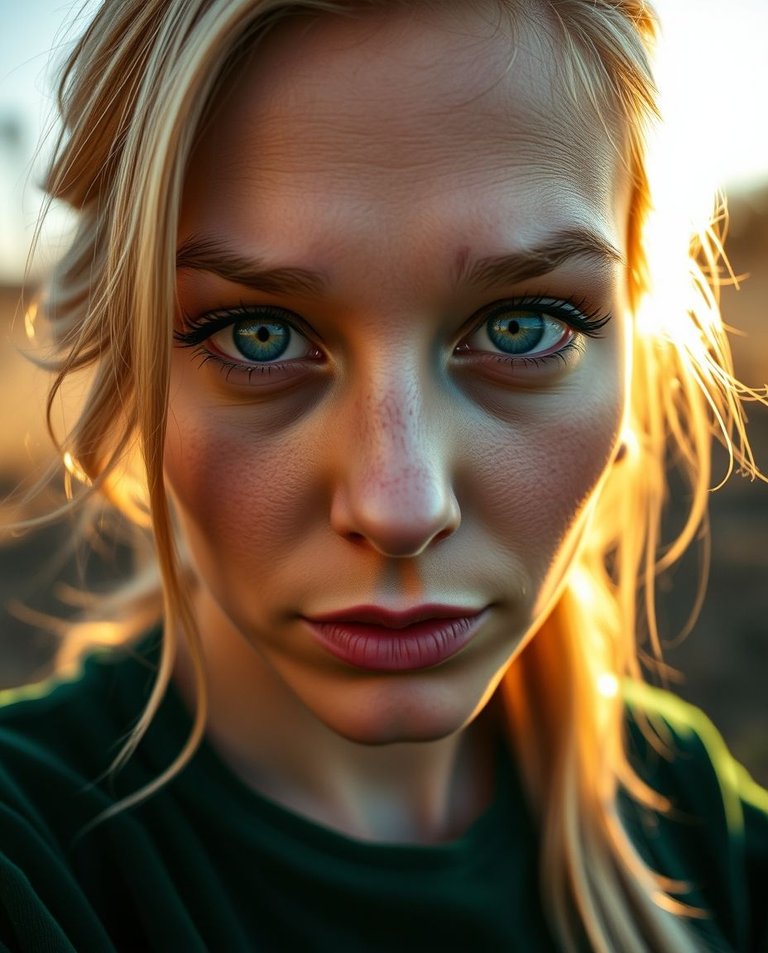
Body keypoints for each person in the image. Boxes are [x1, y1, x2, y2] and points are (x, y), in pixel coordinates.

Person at [0, 0, 766, 949]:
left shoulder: (688, 812)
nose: (400, 507)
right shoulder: (29, 863)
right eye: (258, 334)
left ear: (636, 356)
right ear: (126, 385)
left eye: (523, 325)